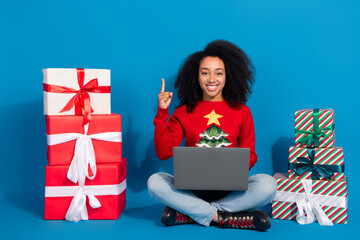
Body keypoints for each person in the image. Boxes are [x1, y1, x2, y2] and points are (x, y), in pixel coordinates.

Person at [147, 40, 277, 231]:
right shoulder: (183, 112)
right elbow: (164, 151)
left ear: (227, 76)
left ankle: (192, 214)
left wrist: (233, 169)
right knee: (154, 182)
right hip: (192, 190)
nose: (211, 79)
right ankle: (223, 218)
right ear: (197, 77)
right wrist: (162, 113)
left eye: (219, 73)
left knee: (268, 185)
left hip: (231, 191)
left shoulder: (243, 112)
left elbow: (251, 154)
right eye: (205, 72)